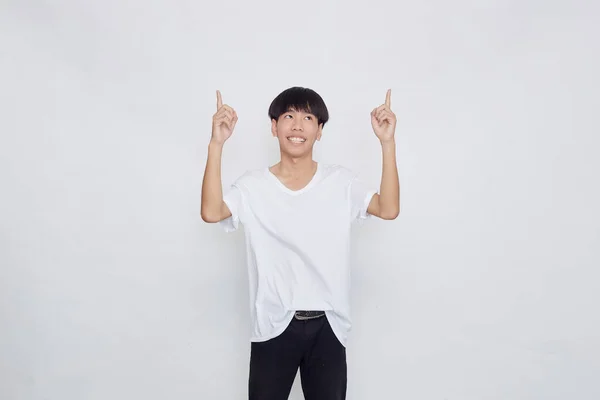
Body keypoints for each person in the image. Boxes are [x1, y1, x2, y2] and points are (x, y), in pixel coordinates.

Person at [200, 86, 400, 400]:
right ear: (274, 126)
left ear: (319, 131)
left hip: (328, 326)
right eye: (289, 116)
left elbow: (388, 209)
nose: (297, 125)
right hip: (273, 325)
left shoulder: (340, 182)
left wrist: (387, 143)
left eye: (308, 118)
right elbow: (211, 212)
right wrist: (216, 143)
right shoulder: (254, 186)